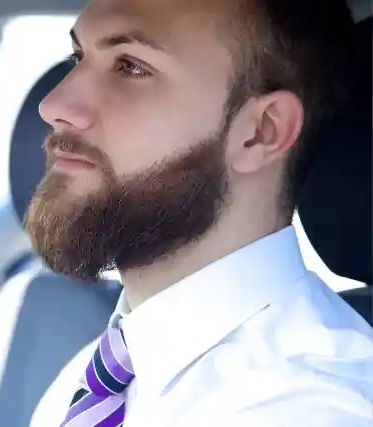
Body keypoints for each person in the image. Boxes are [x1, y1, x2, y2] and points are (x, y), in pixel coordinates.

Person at [26, 0, 373, 426]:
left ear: (262, 132)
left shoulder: (310, 407)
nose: (53, 104)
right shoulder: (89, 378)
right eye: (79, 57)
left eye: (131, 66)